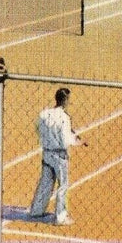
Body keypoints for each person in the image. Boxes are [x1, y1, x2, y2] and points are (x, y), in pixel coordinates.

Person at [28, 88, 87, 225]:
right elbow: (66, 139)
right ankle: (60, 217)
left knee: (45, 182)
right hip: (60, 155)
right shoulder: (65, 118)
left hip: (47, 152)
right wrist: (78, 141)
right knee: (63, 185)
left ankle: (36, 210)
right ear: (65, 100)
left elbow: (38, 129)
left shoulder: (44, 114)